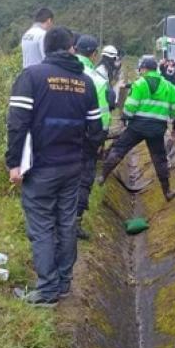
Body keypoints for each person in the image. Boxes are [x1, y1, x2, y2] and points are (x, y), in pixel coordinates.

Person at [6, 26, 105, 306]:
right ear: (71, 48)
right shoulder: (84, 82)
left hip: (41, 168)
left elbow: (17, 124)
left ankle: (47, 290)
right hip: (72, 167)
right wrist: (83, 158)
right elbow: (96, 130)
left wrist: (14, 163)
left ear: (45, 49)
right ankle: (63, 283)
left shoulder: (32, 77)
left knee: (42, 226)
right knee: (66, 223)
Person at [96, 55, 175, 202]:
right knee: (159, 159)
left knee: (119, 149)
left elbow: (130, 107)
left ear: (144, 69)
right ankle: (167, 191)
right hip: (157, 129)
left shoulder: (139, 84)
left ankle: (103, 176)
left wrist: (125, 119)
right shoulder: (169, 86)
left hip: (137, 127)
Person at [72, 35, 116, 239]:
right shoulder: (97, 79)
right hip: (86, 138)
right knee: (83, 178)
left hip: (57, 137)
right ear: (94, 54)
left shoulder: (56, 73)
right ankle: (75, 222)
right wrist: (99, 140)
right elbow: (103, 114)